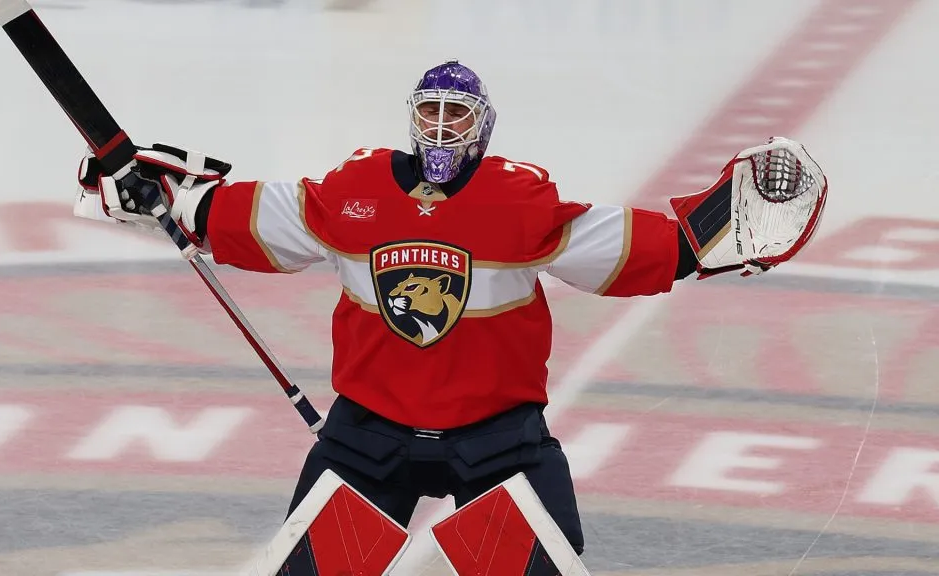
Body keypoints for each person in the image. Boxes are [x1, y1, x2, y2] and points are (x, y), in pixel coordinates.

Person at [74, 60, 826, 556]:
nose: (441, 128)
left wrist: (709, 240)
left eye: (456, 115)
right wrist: (165, 198)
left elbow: (633, 248)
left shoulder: (518, 205)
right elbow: (241, 217)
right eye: (430, 112)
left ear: (483, 124)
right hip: (367, 438)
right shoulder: (350, 196)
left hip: (499, 441)